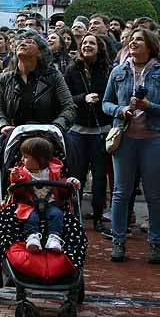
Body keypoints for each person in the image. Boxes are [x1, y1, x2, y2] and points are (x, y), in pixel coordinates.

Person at [102, 28, 160, 264]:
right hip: (124, 137)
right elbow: (106, 103)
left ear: (151, 45)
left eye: (139, 40)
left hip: (153, 139)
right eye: (131, 40)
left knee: (154, 194)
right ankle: (118, 241)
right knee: (121, 193)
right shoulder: (118, 71)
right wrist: (120, 110)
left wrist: (148, 106)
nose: (133, 43)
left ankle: (155, 244)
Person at [63, 33, 113, 232]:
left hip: (100, 131)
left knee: (100, 177)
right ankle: (74, 216)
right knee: (77, 175)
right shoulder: (72, 70)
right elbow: (66, 99)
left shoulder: (108, 70)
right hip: (78, 131)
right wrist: (83, 98)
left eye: (92, 43)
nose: (87, 46)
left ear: (99, 47)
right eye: (84, 42)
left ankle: (99, 217)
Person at [9, 136, 80, 253]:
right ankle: (32, 237)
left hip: (51, 203)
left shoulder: (53, 171)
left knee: (57, 214)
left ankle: (54, 237)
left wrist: (70, 182)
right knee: (31, 217)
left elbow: (62, 185)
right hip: (29, 204)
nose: (22, 159)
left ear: (40, 160)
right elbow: (18, 192)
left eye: (26, 157)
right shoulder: (22, 172)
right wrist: (16, 179)